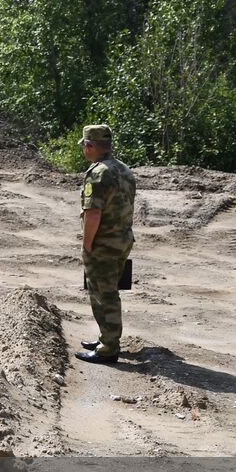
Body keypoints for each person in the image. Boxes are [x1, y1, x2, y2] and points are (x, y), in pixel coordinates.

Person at [75, 124, 137, 363]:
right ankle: (106, 337)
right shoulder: (123, 169)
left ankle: (108, 348)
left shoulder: (99, 173)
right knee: (108, 290)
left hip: (103, 244)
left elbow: (93, 214)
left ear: (89, 146)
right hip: (122, 240)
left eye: (84, 145)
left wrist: (87, 244)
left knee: (104, 293)